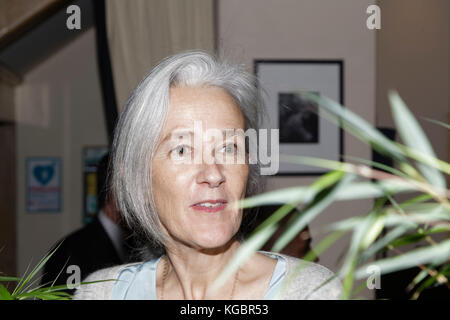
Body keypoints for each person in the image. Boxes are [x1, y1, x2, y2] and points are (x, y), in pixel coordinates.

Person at [74, 50, 342, 300]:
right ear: (137, 178)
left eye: (228, 148)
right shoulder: (102, 292)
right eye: (182, 150)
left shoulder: (308, 291)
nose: (213, 174)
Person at [41, 153, 142, 293]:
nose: (143, 199)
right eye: (136, 189)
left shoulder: (139, 247)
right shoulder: (70, 252)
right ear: (116, 190)